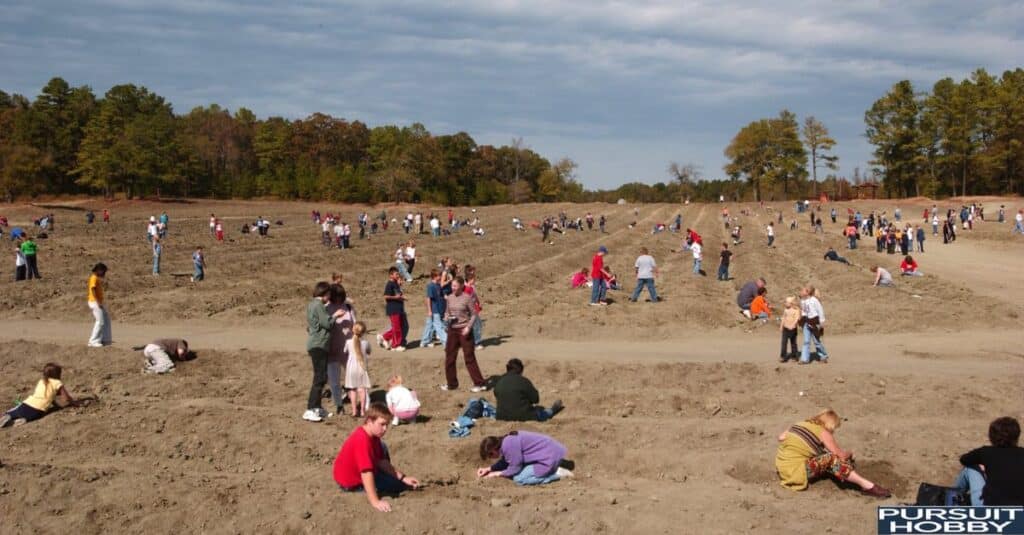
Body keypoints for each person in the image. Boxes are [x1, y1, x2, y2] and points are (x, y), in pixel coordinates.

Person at [775, 409, 891, 497]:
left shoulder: (799, 424)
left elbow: (781, 437)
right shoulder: (823, 432)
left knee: (820, 455)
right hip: (796, 472)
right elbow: (840, 456)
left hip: (782, 466)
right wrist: (849, 454)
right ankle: (867, 486)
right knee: (831, 458)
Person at [332, 402, 420, 511]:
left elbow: (381, 461)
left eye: (387, 425)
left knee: (383, 447)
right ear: (369, 421)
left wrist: (403, 477)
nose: (385, 429)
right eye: (382, 424)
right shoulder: (362, 440)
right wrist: (375, 501)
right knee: (397, 486)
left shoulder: (374, 436)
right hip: (351, 482)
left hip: (358, 473)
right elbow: (366, 472)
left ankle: (387, 478)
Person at [952, 416, 1024, 506]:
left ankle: (951, 499)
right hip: (1020, 509)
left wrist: (984, 466)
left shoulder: (986, 452)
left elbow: (964, 460)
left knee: (970, 468)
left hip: (988, 509)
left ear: (991, 436)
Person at [305, 281, 348, 423]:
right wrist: (335, 315)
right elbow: (327, 323)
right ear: (324, 293)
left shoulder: (312, 305)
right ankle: (310, 409)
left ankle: (316, 407)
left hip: (316, 345)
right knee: (319, 378)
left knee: (321, 377)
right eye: (328, 294)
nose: (329, 297)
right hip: (319, 345)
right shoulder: (318, 305)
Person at [477, 431, 573, 486]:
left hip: (548, 458)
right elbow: (506, 461)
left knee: (519, 479)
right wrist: (489, 469)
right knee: (516, 471)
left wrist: (498, 474)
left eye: (490, 455)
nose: (491, 458)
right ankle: (555, 467)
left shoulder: (508, 445)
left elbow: (515, 468)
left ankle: (557, 473)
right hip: (550, 452)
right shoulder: (506, 441)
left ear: (494, 449)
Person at [441, 277, 486, 392]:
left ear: (461, 286)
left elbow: (474, 314)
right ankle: (452, 384)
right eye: (452, 286)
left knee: (469, 357)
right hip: (452, 330)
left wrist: (468, 327)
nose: (453, 288)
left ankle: (479, 383)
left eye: (455, 286)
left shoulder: (467, 298)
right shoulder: (450, 298)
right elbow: (447, 312)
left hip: (464, 330)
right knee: (449, 357)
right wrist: (446, 318)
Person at [1, 363, 81, 428]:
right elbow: (65, 398)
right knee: (31, 417)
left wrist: (57, 405)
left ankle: (8, 416)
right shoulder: (57, 383)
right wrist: (74, 403)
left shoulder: (42, 381)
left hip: (27, 404)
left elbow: (46, 396)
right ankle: (20, 420)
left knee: (12, 412)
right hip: (38, 411)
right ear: (57, 374)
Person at [494, 358, 564, 422]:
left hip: (501, 417)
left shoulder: (499, 381)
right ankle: (553, 409)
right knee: (543, 413)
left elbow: (496, 394)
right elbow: (536, 399)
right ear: (520, 370)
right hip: (524, 417)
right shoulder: (523, 381)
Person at [327, 284, 357, 415]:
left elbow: (355, 325)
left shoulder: (349, 307)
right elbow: (323, 325)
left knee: (352, 377)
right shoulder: (326, 308)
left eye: (341, 296)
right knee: (334, 379)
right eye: (336, 296)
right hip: (332, 349)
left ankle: (354, 402)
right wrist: (334, 316)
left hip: (348, 349)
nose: (339, 299)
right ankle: (339, 404)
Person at [345, 322, 373, 417]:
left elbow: (345, 351)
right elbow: (369, 351)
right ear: (363, 332)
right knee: (362, 390)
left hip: (351, 368)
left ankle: (354, 411)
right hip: (362, 367)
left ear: (353, 330)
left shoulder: (348, 342)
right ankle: (362, 411)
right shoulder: (365, 343)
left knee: (352, 390)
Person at [378, 267, 408, 352]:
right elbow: (385, 296)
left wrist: (402, 297)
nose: (398, 275)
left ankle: (384, 337)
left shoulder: (395, 283)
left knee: (398, 327)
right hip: (393, 309)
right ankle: (395, 345)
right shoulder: (389, 284)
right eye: (396, 274)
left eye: (398, 274)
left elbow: (398, 294)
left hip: (399, 308)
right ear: (391, 275)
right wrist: (396, 297)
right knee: (397, 328)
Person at [798, 286, 827, 364]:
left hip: (815, 322)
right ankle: (804, 359)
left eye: (802, 290)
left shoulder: (814, 300)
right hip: (806, 322)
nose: (801, 292)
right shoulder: (802, 301)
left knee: (817, 341)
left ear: (807, 292)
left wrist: (822, 322)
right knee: (806, 341)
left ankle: (823, 356)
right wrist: (801, 320)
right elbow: (804, 311)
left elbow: (820, 310)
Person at [419, 269, 448, 348]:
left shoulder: (438, 285)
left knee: (429, 325)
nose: (441, 277)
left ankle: (424, 341)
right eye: (439, 276)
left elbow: (443, 296)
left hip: (439, 309)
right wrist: (429, 310)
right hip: (434, 310)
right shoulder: (430, 286)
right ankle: (446, 342)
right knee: (439, 326)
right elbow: (428, 298)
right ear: (435, 277)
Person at [87, 263, 112, 347]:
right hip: (95, 302)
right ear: (99, 270)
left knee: (106, 319)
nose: (104, 273)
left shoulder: (96, 278)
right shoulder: (93, 278)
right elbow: (93, 289)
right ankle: (93, 341)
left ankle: (105, 339)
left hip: (97, 302)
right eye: (103, 271)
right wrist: (98, 302)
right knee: (100, 321)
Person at [779, 296, 801, 363]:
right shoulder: (785, 310)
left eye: (786, 302)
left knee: (793, 343)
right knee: (784, 343)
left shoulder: (796, 310)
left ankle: (794, 356)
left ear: (791, 303)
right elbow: (783, 318)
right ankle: (783, 356)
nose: (785, 303)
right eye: (785, 302)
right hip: (786, 328)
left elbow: (797, 318)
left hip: (793, 329)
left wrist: (793, 325)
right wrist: (781, 326)